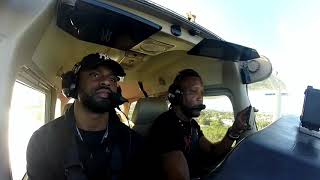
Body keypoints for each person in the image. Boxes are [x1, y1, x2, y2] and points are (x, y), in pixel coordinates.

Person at [26, 53, 142, 180]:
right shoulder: (42, 142)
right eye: (95, 75)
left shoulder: (134, 143)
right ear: (74, 84)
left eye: (112, 79)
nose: (106, 82)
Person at [147, 69, 251, 180]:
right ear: (176, 96)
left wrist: (234, 131)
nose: (200, 97)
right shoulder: (166, 126)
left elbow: (212, 151)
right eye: (193, 91)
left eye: (202, 92)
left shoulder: (192, 125)